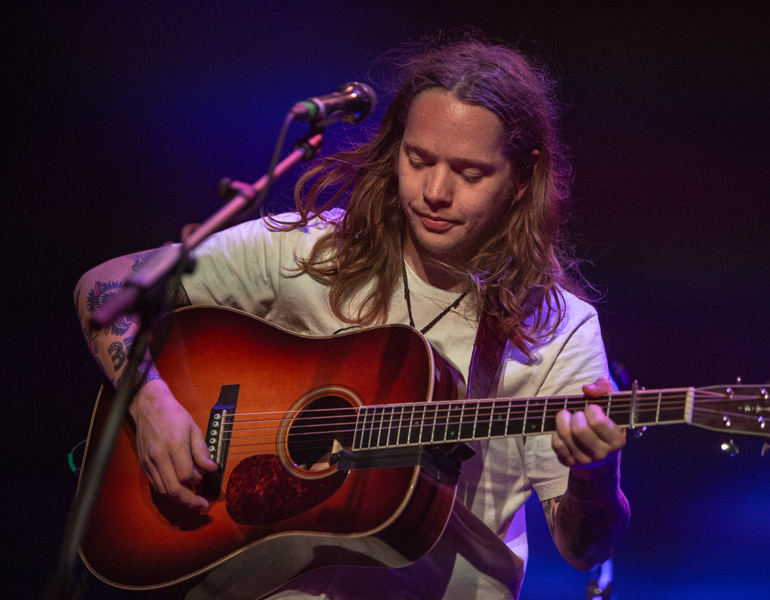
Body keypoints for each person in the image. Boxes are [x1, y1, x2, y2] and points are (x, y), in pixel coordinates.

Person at [75, 35, 630, 600]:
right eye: (418, 160)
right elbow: (103, 287)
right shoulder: (313, 250)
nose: (434, 191)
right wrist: (152, 404)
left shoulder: (557, 329)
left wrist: (594, 477)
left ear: (522, 178)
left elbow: (584, 549)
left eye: (469, 173)